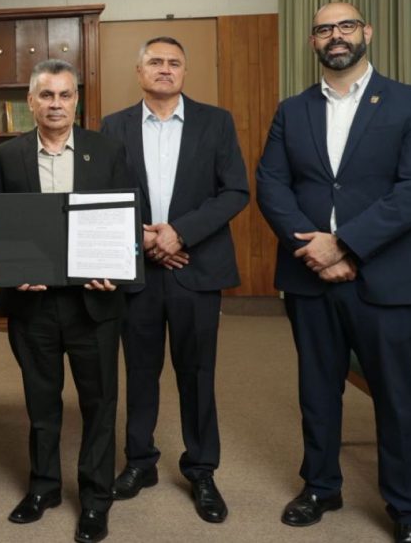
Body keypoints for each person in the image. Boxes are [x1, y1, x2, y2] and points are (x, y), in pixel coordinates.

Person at [256, 2, 411, 543]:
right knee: (317, 388)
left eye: (345, 26)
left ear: (366, 32)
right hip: (307, 274)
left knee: (395, 395)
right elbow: (272, 183)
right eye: (323, 29)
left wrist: (345, 244)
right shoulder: (292, 110)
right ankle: (320, 485)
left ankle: (410, 509)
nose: (334, 36)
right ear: (312, 41)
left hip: (387, 278)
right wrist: (313, 248)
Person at [99, 37, 248, 523]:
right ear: (139, 70)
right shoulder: (113, 126)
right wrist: (142, 237)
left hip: (196, 269)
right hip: (138, 269)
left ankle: (202, 469)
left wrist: (180, 233)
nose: (165, 70)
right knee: (139, 372)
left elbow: (235, 191)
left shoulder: (216, 121)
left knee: (197, 374)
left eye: (174, 63)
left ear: (184, 72)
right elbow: (102, 195)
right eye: (155, 62)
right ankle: (139, 462)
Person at [0, 59, 131, 543]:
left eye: (65, 95)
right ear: (30, 102)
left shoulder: (106, 151)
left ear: (77, 101)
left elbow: (128, 219)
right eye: (46, 95)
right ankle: (44, 487)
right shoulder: (8, 157)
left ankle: (95, 498)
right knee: (41, 403)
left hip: (94, 303)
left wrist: (117, 269)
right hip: (34, 305)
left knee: (98, 403)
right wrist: (14, 270)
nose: (55, 104)